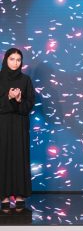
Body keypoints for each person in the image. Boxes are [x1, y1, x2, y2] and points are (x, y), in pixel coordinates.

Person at [0, 48, 35, 211]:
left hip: (20, 124)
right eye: (12, 59)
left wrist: (20, 99)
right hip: (2, 124)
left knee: (20, 156)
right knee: (3, 156)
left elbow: (30, 104)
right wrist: (8, 97)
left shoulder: (25, 80)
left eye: (18, 60)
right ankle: (4, 195)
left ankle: (20, 194)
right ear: (6, 60)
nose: (15, 63)